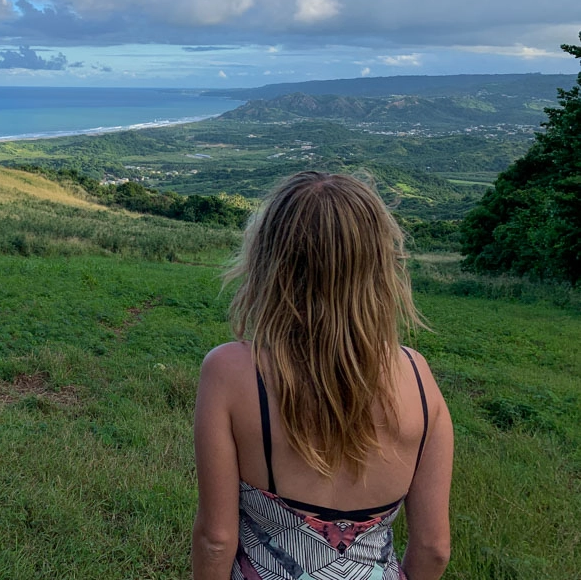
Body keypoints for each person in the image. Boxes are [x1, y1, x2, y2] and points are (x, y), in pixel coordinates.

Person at [192, 172, 453, 580]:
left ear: (270, 261)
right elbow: (433, 548)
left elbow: (216, 539)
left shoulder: (230, 372)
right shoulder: (418, 378)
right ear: (379, 267)